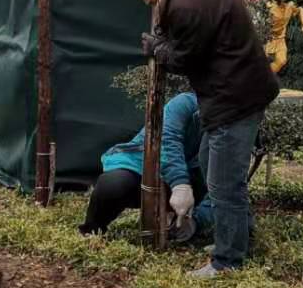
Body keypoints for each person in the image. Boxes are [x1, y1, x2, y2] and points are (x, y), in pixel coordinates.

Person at [126, 0, 279, 276]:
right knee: (213, 164)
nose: (145, 0)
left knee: (224, 185)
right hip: (244, 89)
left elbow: (184, 59)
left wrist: (158, 49)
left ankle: (227, 261)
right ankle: (238, 238)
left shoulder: (186, 4)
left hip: (233, 99)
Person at [81, 91, 213, 241]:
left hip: (193, 186)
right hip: (142, 168)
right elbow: (167, 139)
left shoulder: (231, 128)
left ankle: (176, 221)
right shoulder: (186, 103)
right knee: (114, 184)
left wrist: (196, 220)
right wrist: (180, 184)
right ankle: (92, 229)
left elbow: (225, 189)